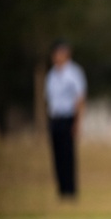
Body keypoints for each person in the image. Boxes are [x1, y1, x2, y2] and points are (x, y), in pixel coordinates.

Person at [44, 40, 86, 198]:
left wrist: (77, 122)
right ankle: (61, 190)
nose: (57, 57)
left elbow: (80, 98)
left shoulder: (74, 73)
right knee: (56, 156)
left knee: (68, 155)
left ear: (67, 54)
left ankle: (70, 190)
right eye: (55, 54)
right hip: (55, 118)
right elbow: (48, 99)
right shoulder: (51, 75)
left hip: (68, 117)